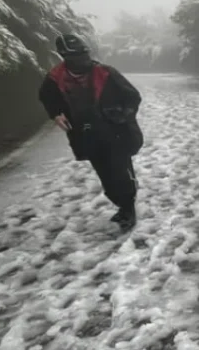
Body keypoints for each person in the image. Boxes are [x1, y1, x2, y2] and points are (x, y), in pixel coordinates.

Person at [38, 33, 144, 230]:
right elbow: (46, 97)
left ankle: (129, 209)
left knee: (121, 172)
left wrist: (122, 115)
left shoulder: (106, 73)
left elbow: (132, 97)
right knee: (105, 176)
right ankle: (121, 205)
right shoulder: (55, 78)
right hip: (86, 135)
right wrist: (56, 114)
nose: (84, 58)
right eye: (77, 55)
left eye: (85, 53)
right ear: (65, 57)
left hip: (115, 132)